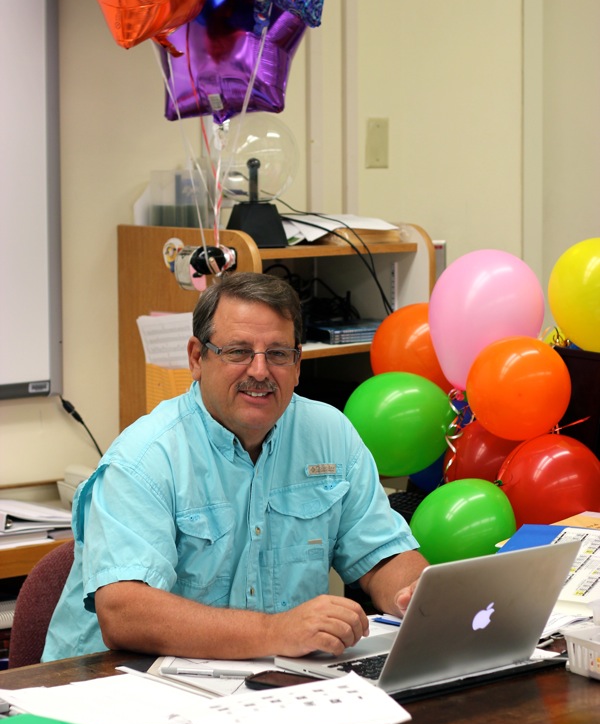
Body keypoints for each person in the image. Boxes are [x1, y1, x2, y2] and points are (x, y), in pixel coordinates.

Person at [43, 272, 427, 662]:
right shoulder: (146, 456)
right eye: (238, 352)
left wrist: (415, 593)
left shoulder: (330, 435)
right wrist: (276, 631)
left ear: (297, 364)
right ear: (197, 358)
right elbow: (124, 613)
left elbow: (382, 554)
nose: (260, 371)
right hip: (111, 683)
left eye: (278, 354)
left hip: (265, 676)